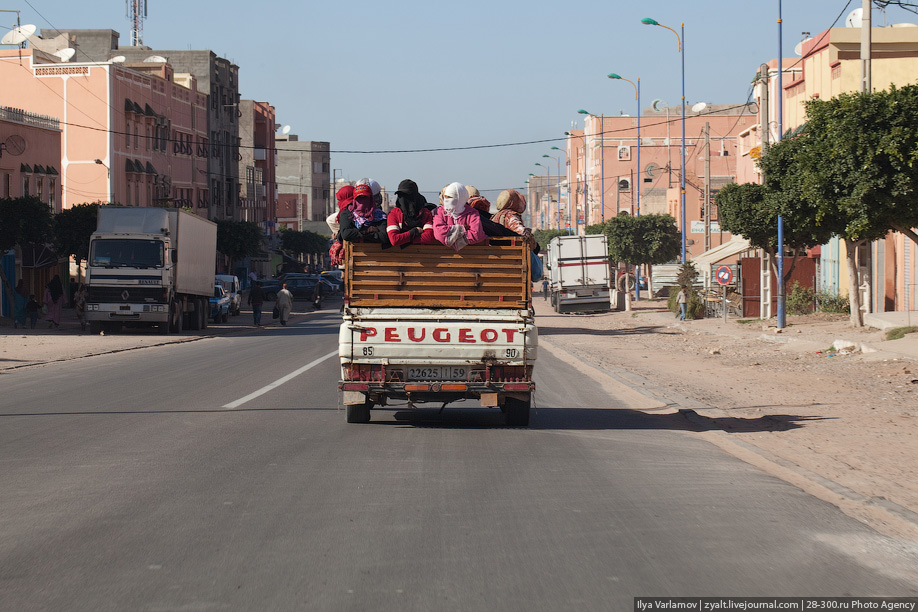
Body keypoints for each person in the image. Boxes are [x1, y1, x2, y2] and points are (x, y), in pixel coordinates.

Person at [432, 182, 486, 251]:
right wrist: (462, 228)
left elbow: (476, 234)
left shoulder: (472, 213)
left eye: (450, 197)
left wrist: (452, 235)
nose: (447, 200)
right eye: (445, 197)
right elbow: (439, 234)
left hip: (470, 255)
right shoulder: (440, 212)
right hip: (444, 256)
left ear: (460, 198)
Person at [387, 179, 435, 247]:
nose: (403, 199)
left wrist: (404, 240)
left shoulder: (425, 213)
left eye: (407, 195)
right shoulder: (394, 214)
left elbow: (428, 238)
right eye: (401, 195)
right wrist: (414, 232)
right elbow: (394, 240)